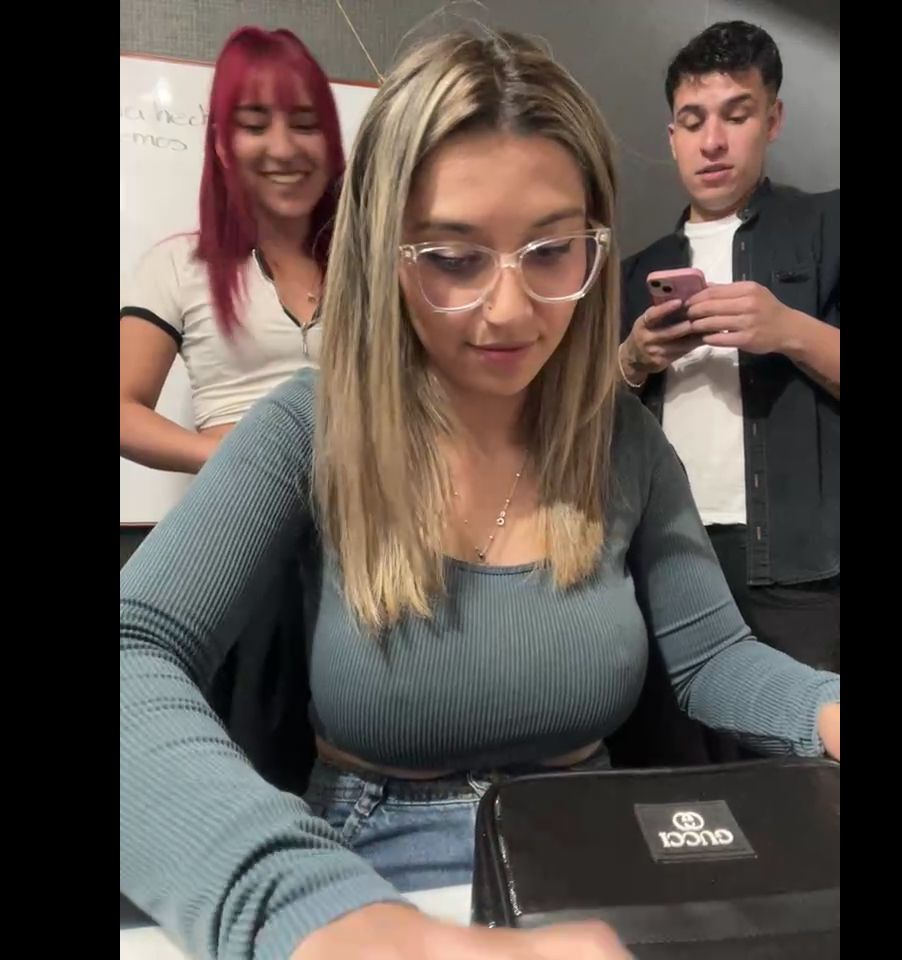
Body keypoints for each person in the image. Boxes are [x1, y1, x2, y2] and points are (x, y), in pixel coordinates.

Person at [120, 29, 840, 960]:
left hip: (592, 848)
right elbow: (134, 646)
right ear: (386, 251)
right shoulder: (312, 424)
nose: (509, 310)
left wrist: (824, 708)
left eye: (551, 251)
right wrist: (307, 907)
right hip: (368, 862)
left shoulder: (621, 440)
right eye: (454, 259)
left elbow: (715, 658)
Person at [119, 25, 346, 792]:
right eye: (254, 123)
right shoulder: (178, 265)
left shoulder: (376, 267)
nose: (283, 147)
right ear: (221, 144)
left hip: (365, 548)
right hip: (241, 549)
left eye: (305, 122)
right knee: (248, 762)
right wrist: (221, 452)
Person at [619, 21, 840, 685]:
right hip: (662, 554)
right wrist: (631, 360)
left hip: (800, 573)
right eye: (693, 121)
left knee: (797, 744)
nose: (712, 141)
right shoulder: (636, 271)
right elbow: (577, 417)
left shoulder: (827, 229)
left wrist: (788, 329)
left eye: (736, 115)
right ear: (672, 136)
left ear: (772, 120)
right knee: (665, 748)